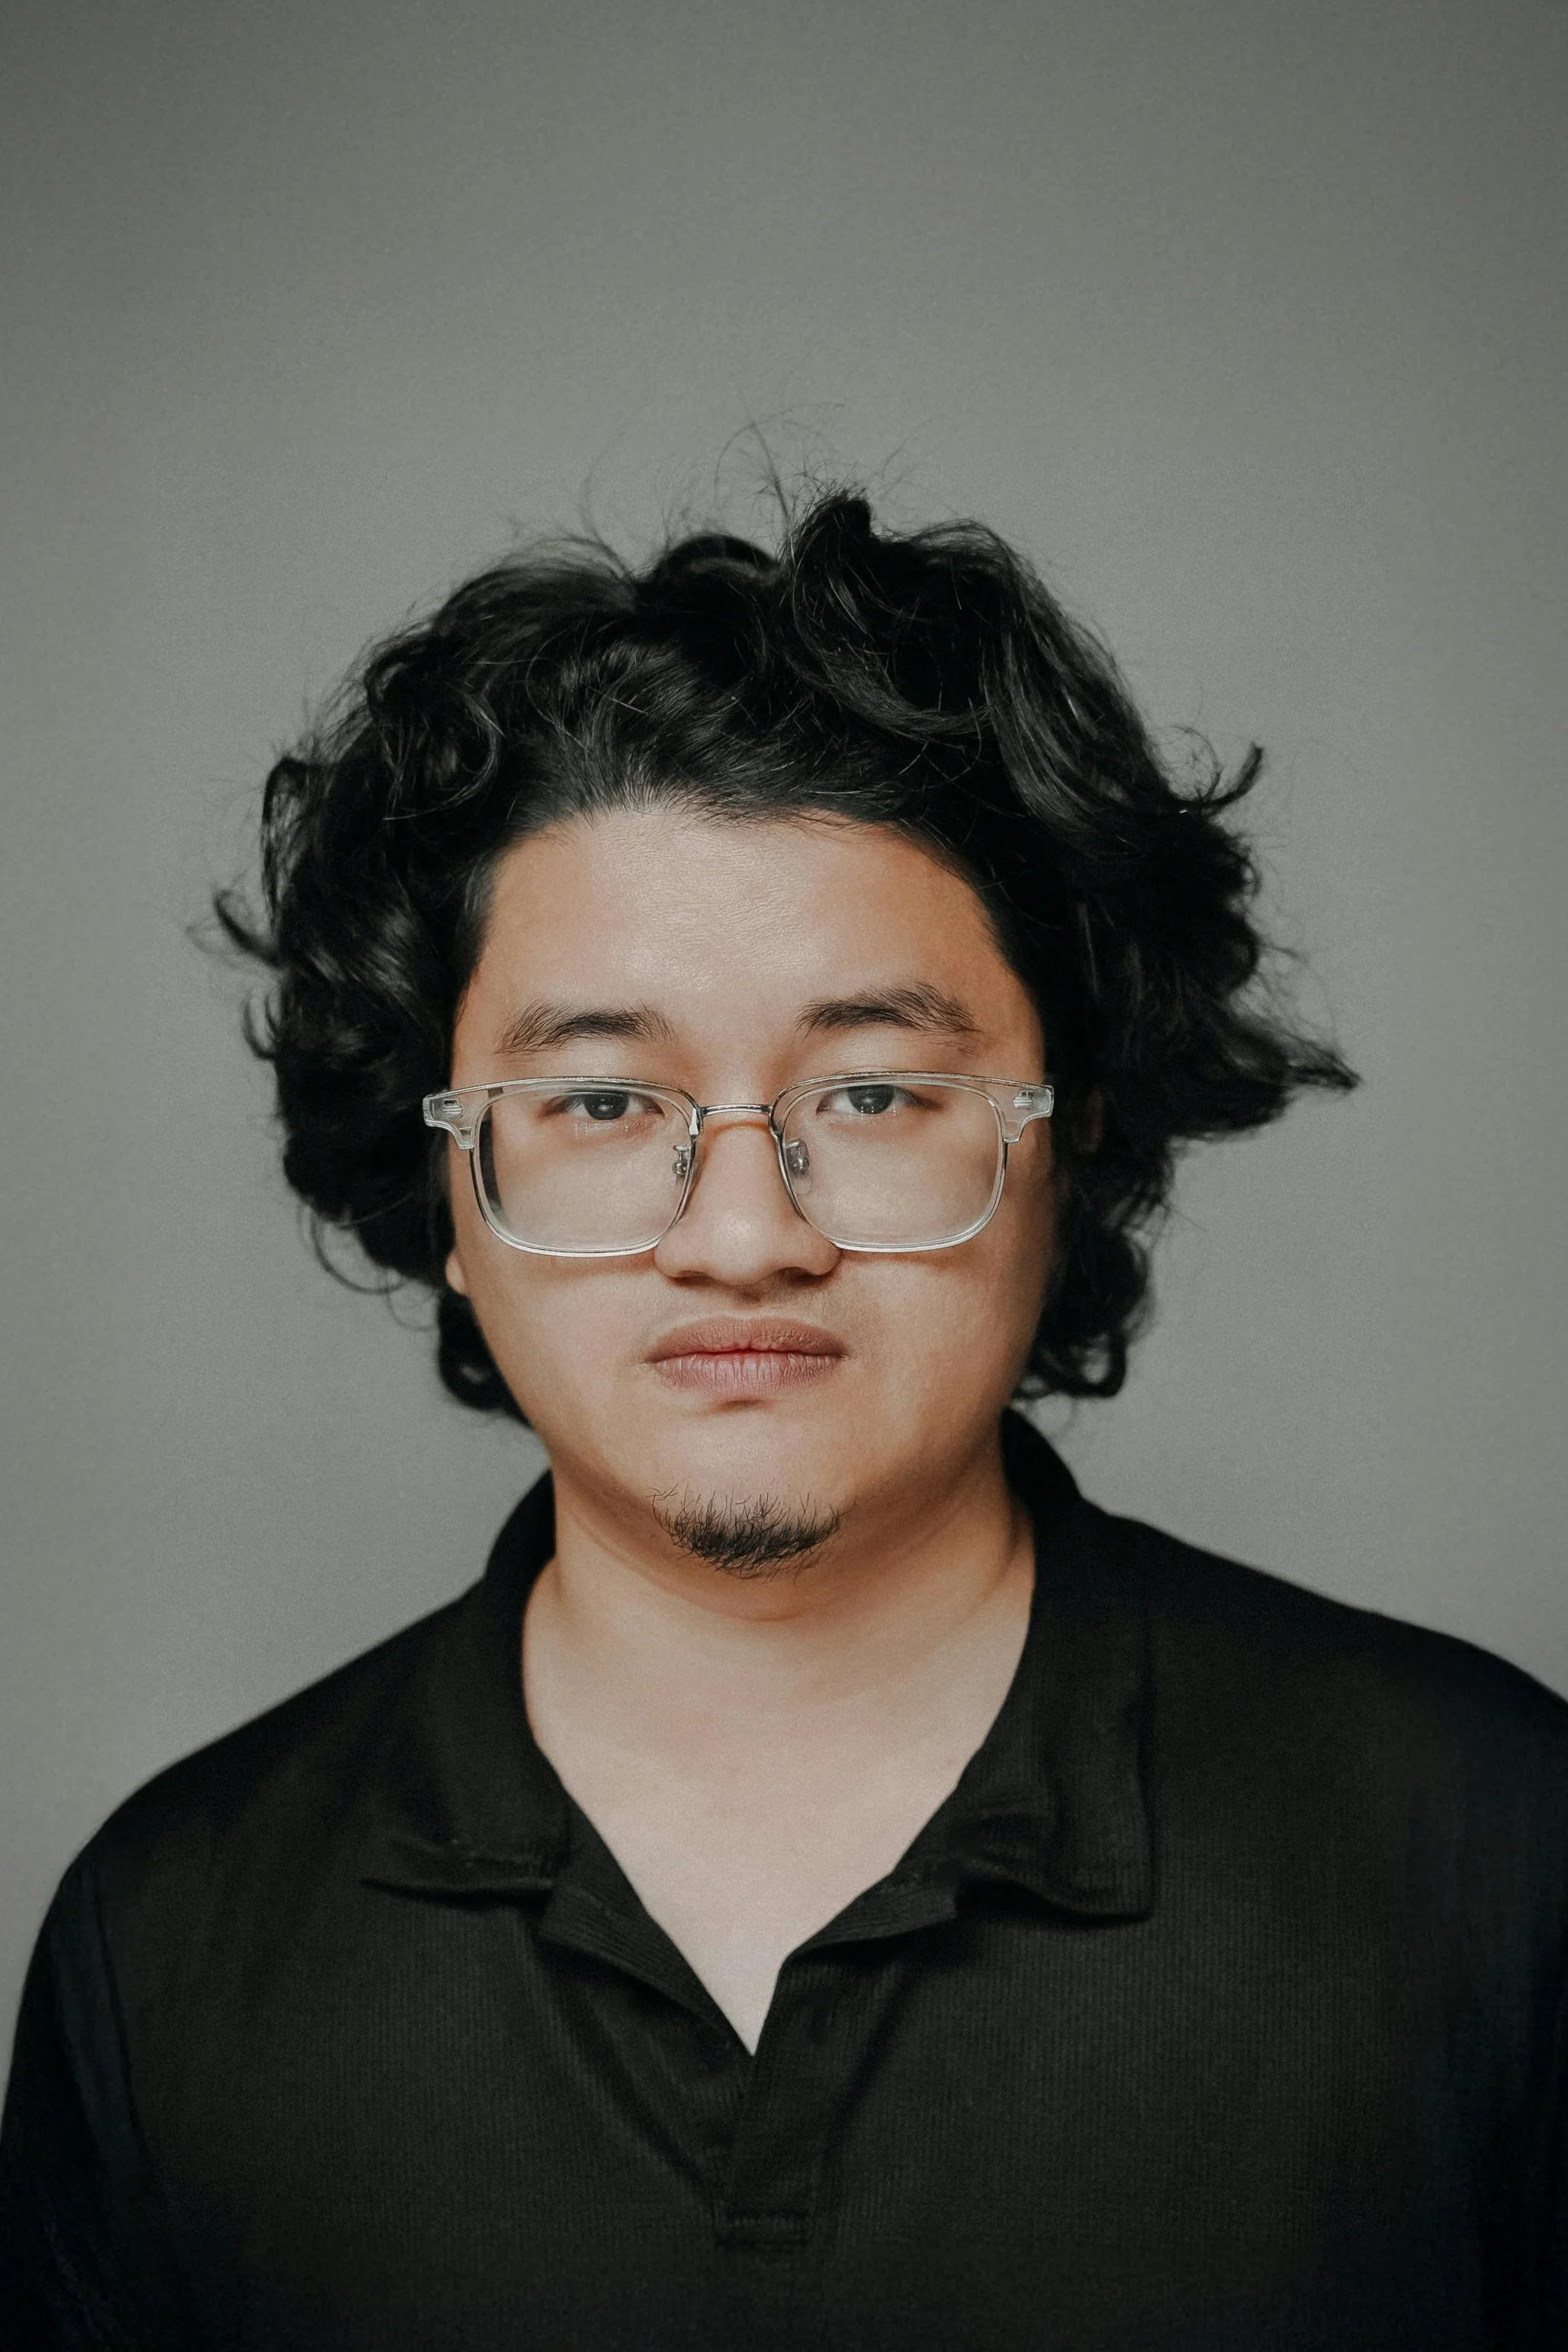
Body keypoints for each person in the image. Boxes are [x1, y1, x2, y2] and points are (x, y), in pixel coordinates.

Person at [2, 487, 1563, 2351]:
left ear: (1068, 1144)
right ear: (447, 1199)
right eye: (601, 1106)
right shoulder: (168, 1940)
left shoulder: (1490, 1852)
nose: (743, 1236)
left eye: (875, 1094)